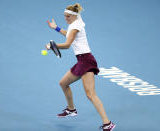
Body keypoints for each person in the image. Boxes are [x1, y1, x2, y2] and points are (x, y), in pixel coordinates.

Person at [46, 3, 116, 131]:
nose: (65, 18)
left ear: (73, 16)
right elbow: (69, 35)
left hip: (87, 61)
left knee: (90, 94)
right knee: (63, 83)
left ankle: (108, 123)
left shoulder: (76, 25)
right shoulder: (74, 24)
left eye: (67, 16)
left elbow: (67, 44)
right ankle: (71, 109)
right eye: (64, 16)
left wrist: (53, 46)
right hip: (81, 61)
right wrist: (56, 28)